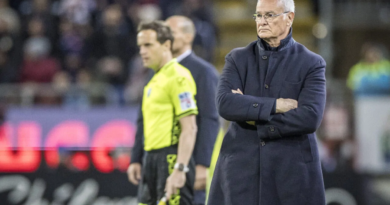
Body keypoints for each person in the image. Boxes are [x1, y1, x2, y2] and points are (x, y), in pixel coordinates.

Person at [207, 0, 327, 205]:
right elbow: (226, 103)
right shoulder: (237, 59)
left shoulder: (312, 63)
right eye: (258, 15)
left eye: (269, 15)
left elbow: (309, 117)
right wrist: (275, 106)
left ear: (290, 17)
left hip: (291, 175)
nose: (261, 21)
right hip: (240, 172)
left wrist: (252, 115)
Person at [128, 16, 220, 205]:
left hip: (178, 158)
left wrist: (203, 164)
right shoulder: (154, 74)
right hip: (152, 158)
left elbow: (208, 120)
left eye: (170, 32)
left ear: (187, 37)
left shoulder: (200, 72)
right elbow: (143, 120)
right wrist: (136, 157)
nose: (143, 51)